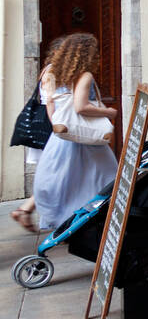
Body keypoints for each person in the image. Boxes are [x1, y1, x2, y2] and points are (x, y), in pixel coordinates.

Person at [32, 33, 118, 231]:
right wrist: (108, 111)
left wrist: (60, 127)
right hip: (87, 139)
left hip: (61, 137)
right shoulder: (85, 75)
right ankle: (94, 221)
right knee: (102, 179)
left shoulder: (50, 72)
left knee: (65, 183)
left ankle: (67, 223)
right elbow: (81, 107)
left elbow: (50, 104)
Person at [10, 37, 64, 232]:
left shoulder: (49, 69)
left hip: (46, 128)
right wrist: (56, 125)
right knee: (53, 174)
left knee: (52, 174)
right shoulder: (51, 71)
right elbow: (50, 101)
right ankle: (27, 209)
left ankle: (29, 209)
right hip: (46, 129)